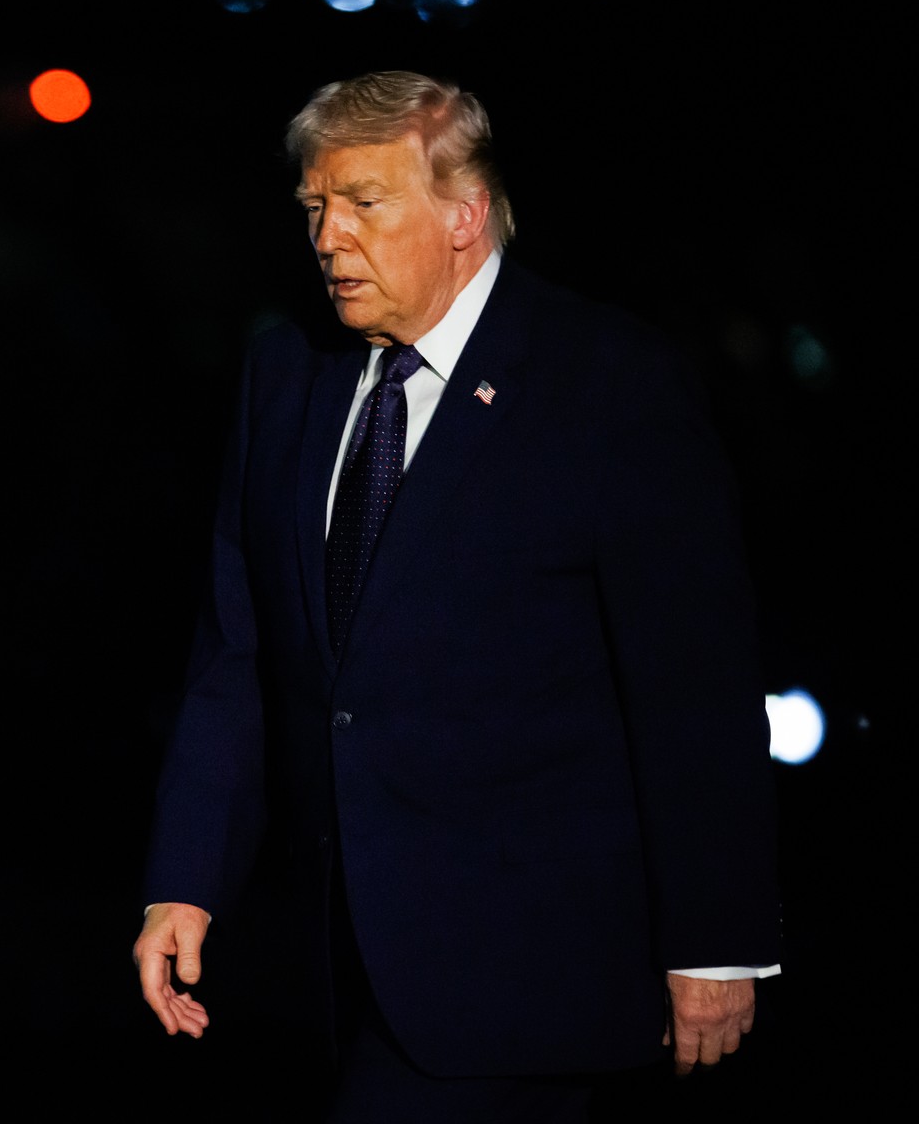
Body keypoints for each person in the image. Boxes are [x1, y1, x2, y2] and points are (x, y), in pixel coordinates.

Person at [131, 71, 781, 1119]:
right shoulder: (285, 372)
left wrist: (716, 942)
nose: (329, 237)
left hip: (532, 974)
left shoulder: (607, 382)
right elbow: (240, 655)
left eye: (363, 202)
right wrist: (185, 881)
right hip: (319, 977)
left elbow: (691, 683)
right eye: (314, 207)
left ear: (464, 216)